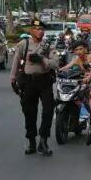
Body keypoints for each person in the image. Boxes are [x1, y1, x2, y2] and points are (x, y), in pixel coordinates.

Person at [11, 19, 59, 156]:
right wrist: (13, 79)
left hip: (44, 81)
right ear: (31, 31)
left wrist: (42, 60)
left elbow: (56, 63)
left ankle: (43, 141)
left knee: (48, 110)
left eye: (42, 29)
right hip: (28, 82)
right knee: (29, 112)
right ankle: (31, 141)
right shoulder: (24, 44)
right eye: (37, 29)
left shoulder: (49, 45)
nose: (40, 31)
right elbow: (16, 61)